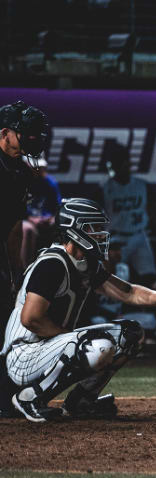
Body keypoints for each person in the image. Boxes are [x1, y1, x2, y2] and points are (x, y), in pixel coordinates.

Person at [2, 198, 156, 422]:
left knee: (131, 335)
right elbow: (31, 319)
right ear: (74, 230)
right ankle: (29, 398)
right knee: (97, 346)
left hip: (46, 349)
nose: (101, 234)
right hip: (22, 355)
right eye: (93, 228)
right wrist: (72, 339)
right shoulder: (52, 264)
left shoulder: (85, 263)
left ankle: (80, 401)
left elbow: (129, 292)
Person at [0, 100, 49, 418]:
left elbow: (14, 226)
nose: (31, 140)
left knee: (5, 319)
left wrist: (16, 269)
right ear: (5, 133)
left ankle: (6, 399)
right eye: (25, 135)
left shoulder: (19, 171)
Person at [101, 144, 156, 288]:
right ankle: (114, 310)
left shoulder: (141, 186)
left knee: (149, 279)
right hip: (116, 239)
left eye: (122, 163)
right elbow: (95, 221)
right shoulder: (104, 189)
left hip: (139, 236)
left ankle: (146, 310)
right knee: (114, 281)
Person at [21, 155, 61, 268]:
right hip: (27, 220)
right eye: (35, 167)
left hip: (46, 221)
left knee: (61, 228)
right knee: (27, 229)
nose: (38, 170)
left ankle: (55, 268)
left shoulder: (50, 183)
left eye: (40, 167)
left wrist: (52, 219)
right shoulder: (20, 182)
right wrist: (31, 219)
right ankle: (24, 270)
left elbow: (57, 208)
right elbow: (16, 207)